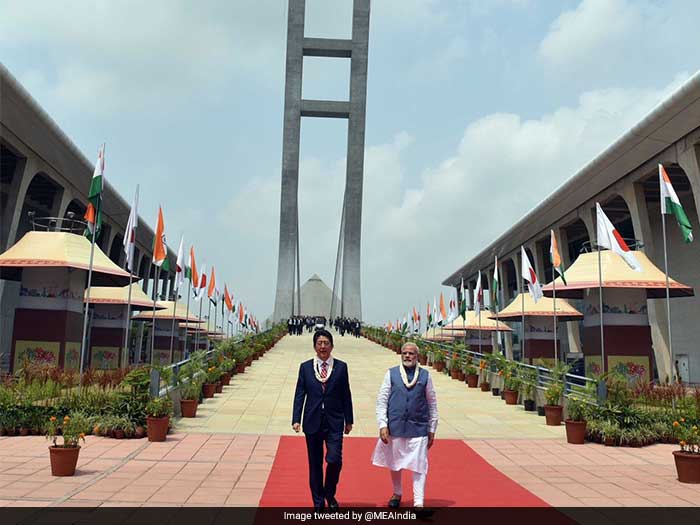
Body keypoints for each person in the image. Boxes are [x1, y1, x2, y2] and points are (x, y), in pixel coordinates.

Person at [293, 329, 354, 510]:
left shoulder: (341, 367)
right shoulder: (305, 367)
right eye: (319, 343)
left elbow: (346, 394)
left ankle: (329, 492)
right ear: (314, 346)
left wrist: (349, 419)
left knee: (334, 459)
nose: (323, 346)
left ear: (332, 346)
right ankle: (318, 502)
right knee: (315, 464)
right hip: (312, 422)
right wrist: (296, 418)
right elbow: (299, 394)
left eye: (326, 343)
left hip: (334, 422)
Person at [372, 342, 438, 510]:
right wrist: (382, 424)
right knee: (395, 463)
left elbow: (432, 403)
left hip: (419, 428)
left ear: (417, 356)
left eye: (411, 353)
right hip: (396, 426)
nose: (407, 356)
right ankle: (397, 493)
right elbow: (382, 400)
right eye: (404, 353)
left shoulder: (425, 376)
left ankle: (419, 502)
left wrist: (432, 428)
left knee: (419, 465)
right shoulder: (391, 374)